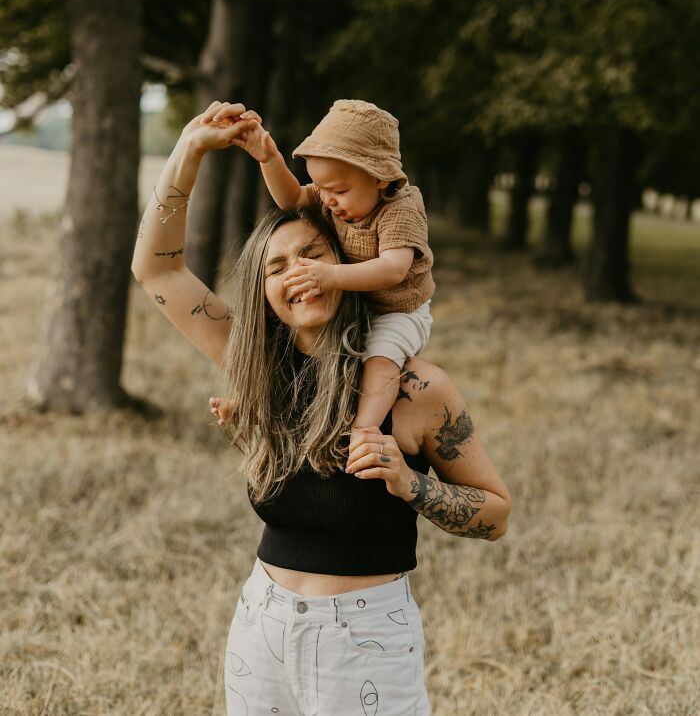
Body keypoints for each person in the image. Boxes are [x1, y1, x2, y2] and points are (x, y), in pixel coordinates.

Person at [131, 100, 511, 716]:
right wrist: (189, 149)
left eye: (312, 254)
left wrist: (409, 484)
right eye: (276, 267)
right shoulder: (256, 363)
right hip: (261, 627)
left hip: (366, 642)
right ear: (265, 291)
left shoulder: (415, 389)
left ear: (346, 263)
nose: (297, 273)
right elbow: (156, 268)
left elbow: (496, 516)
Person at [203, 98, 435, 451]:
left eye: (339, 191)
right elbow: (292, 198)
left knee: (380, 357)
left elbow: (393, 270)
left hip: (397, 311)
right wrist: (268, 158)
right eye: (321, 188)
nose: (327, 200)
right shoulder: (331, 196)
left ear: (380, 179)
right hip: (354, 300)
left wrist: (331, 276)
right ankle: (256, 406)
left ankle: (365, 428)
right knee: (297, 350)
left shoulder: (401, 208)